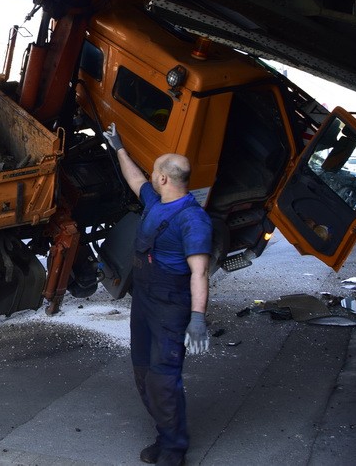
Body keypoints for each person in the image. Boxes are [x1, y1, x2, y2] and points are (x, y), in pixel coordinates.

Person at [103, 123, 212, 466]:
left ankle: (174, 449)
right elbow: (135, 180)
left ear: (164, 178)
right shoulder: (157, 201)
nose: (150, 175)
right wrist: (118, 146)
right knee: (142, 370)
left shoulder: (193, 219)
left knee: (163, 377)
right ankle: (164, 434)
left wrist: (197, 319)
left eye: (155, 171)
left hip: (170, 305)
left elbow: (200, 271)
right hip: (145, 298)